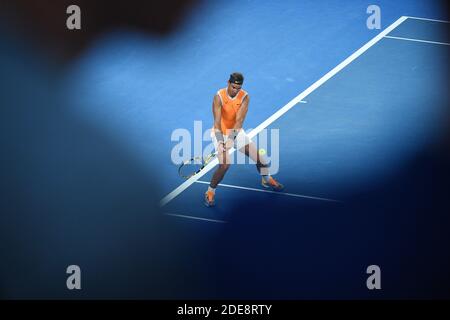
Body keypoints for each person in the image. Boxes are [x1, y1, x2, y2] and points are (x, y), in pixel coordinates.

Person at [205, 72, 284, 207]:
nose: (235, 90)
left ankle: (266, 179)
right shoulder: (218, 96)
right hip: (218, 133)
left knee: (261, 159)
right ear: (228, 83)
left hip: (236, 132)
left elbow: (239, 121)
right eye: (233, 87)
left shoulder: (245, 97)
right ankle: (210, 191)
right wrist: (220, 141)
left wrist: (231, 139)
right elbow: (217, 123)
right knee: (225, 165)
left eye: (238, 88)